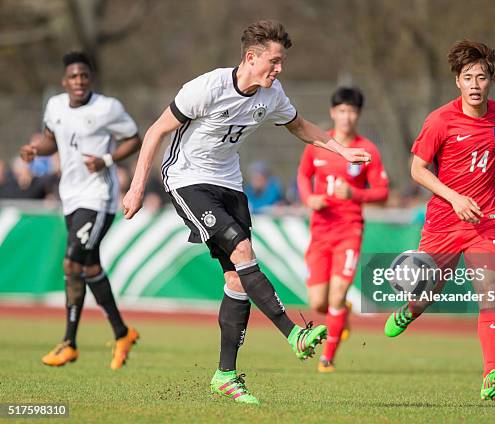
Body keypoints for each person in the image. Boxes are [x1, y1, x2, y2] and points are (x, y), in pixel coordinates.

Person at [122, 20, 371, 405]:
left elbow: (301, 126)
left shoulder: (272, 94)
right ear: (251, 58)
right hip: (188, 179)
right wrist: (137, 187)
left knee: (237, 280)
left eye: (282, 62)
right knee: (242, 252)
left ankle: (225, 375)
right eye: (274, 62)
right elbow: (155, 131)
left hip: (229, 183)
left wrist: (342, 150)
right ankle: (294, 333)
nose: (279, 69)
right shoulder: (207, 88)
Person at [383, 40, 495, 401]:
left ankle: (491, 373)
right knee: (427, 292)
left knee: (490, 289)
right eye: (467, 77)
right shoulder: (440, 120)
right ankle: (409, 310)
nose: (474, 84)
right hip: (444, 221)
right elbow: (417, 169)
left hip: (486, 220)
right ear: (457, 82)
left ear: (491, 80)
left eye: (481, 77)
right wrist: (454, 197)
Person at [19, 51, 142, 370]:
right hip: (70, 196)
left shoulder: (107, 108)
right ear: (65, 81)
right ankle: (122, 332)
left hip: (98, 196)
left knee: (72, 260)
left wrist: (107, 160)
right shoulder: (56, 105)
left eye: (84, 76)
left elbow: (134, 139)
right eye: (73, 76)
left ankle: (69, 343)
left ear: (91, 79)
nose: (79, 81)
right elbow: (52, 140)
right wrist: (35, 149)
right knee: (88, 268)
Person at [297, 87, 388, 372]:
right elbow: (303, 175)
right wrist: (309, 198)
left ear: (358, 115)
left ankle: (328, 358)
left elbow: (382, 193)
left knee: (337, 295)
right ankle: (342, 315)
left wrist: (354, 194)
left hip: (349, 230)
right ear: (332, 112)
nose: (346, 117)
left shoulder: (367, 150)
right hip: (320, 230)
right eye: (342, 111)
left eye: (352, 111)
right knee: (318, 302)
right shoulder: (318, 143)